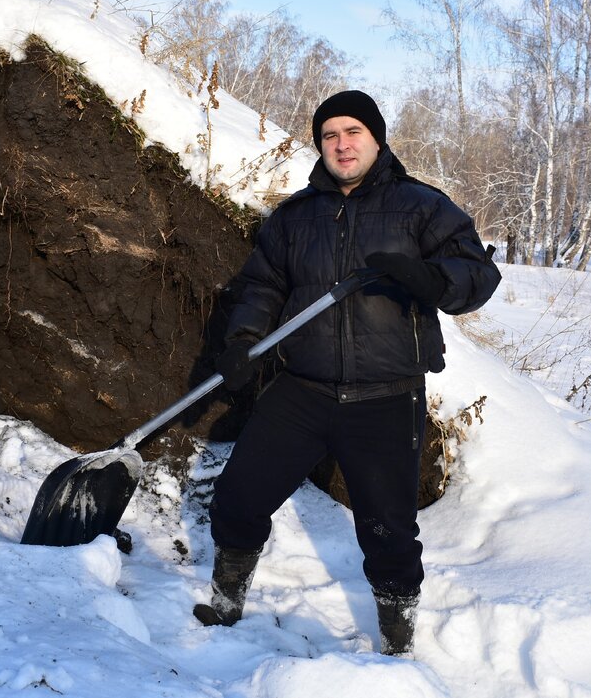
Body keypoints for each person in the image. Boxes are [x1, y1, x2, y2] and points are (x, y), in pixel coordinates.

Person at [194, 90, 501, 656]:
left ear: (376, 137)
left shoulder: (422, 207)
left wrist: (434, 281)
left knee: (388, 529)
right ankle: (226, 597)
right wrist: (241, 340)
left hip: (386, 396)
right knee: (239, 496)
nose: (342, 144)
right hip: (301, 390)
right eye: (330, 134)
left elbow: (476, 273)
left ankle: (397, 634)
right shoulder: (295, 216)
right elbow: (263, 286)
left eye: (353, 131)